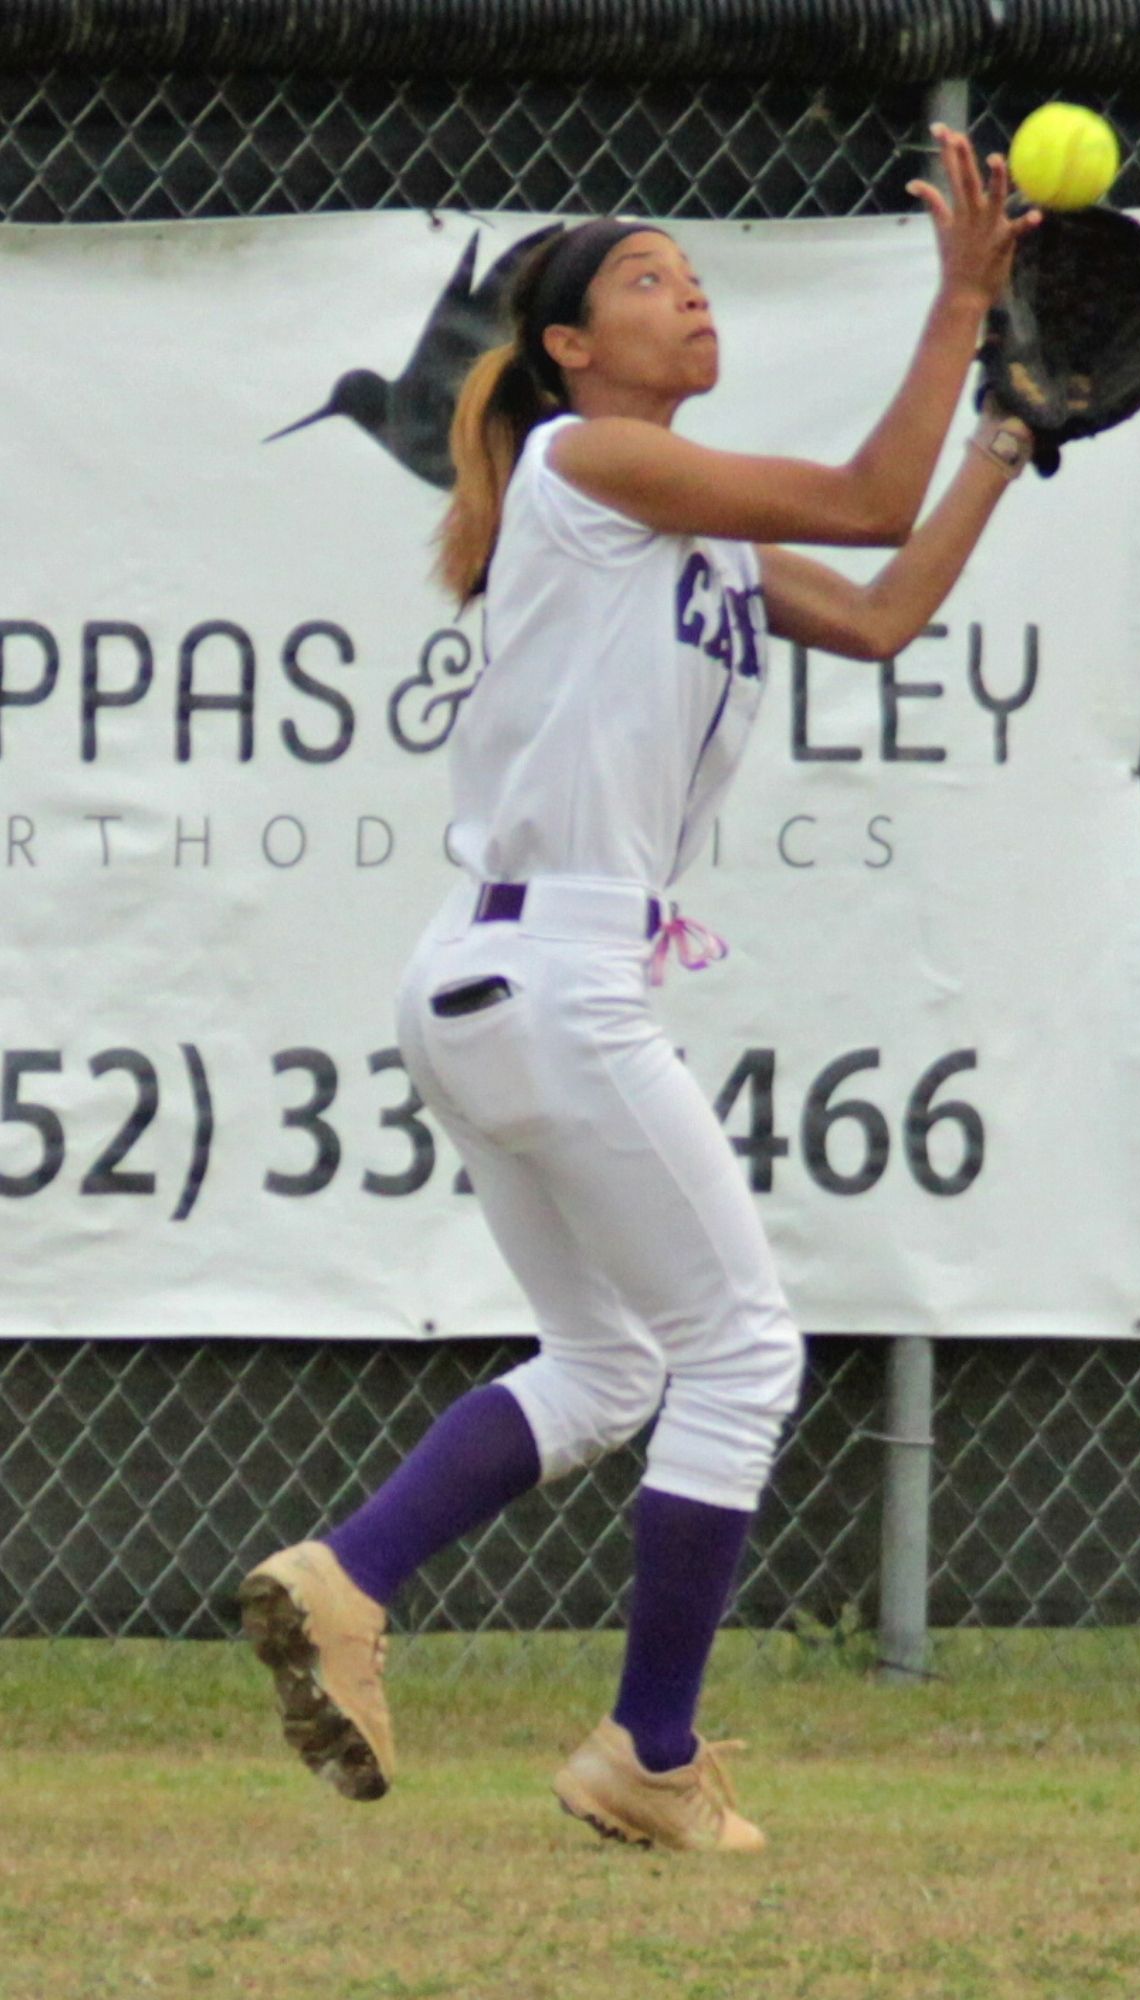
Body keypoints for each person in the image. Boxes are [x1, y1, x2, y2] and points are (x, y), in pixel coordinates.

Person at [239, 124, 1039, 1854]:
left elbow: (894, 602)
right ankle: (650, 1753)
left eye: (696, 273)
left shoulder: (689, 525)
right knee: (744, 1353)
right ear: (574, 353)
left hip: (488, 973)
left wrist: (1012, 432)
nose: (687, 291)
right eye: (645, 278)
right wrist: (961, 304)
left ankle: (349, 1577)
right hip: (551, 967)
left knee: (609, 1365)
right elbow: (865, 499)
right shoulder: (590, 465)